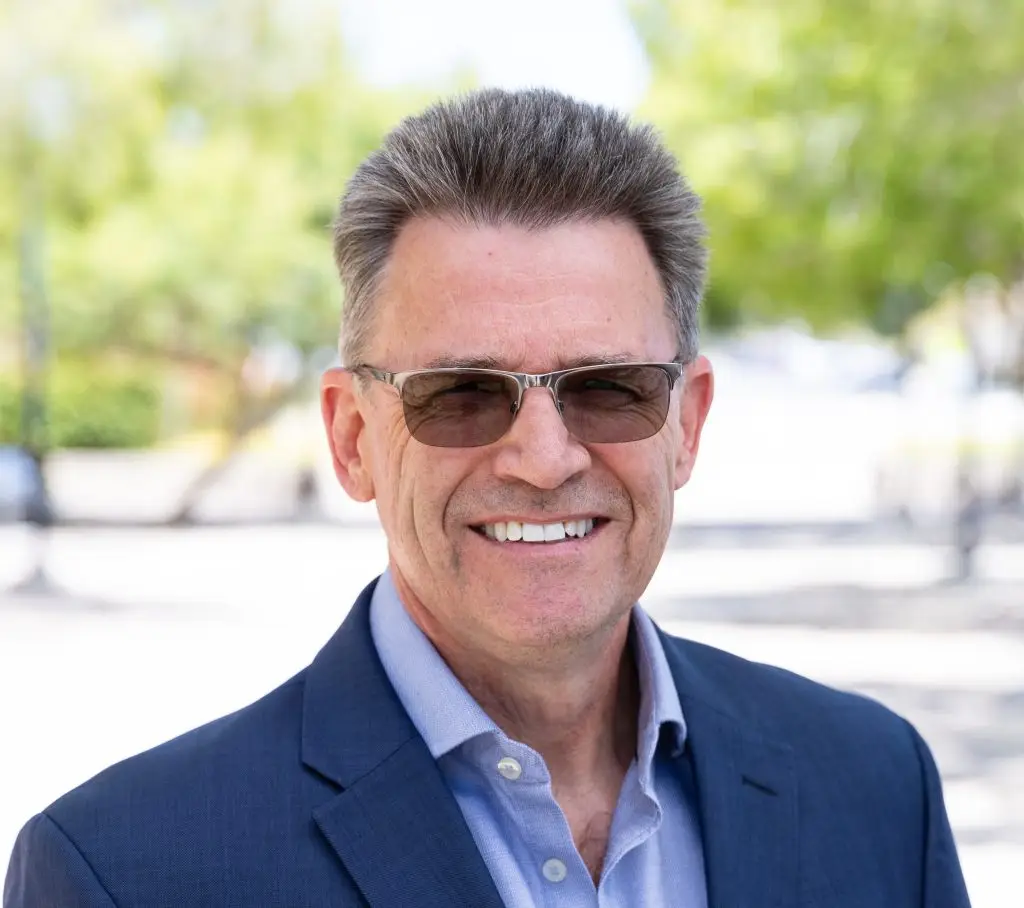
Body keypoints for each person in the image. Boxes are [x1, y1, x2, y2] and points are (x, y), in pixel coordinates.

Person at [4, 88, 971, 907]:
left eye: (608, 387)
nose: (544, 460)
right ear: (352, 439)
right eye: (462, 394)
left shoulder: (877, 790)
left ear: (687, 422)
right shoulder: (125, 874)